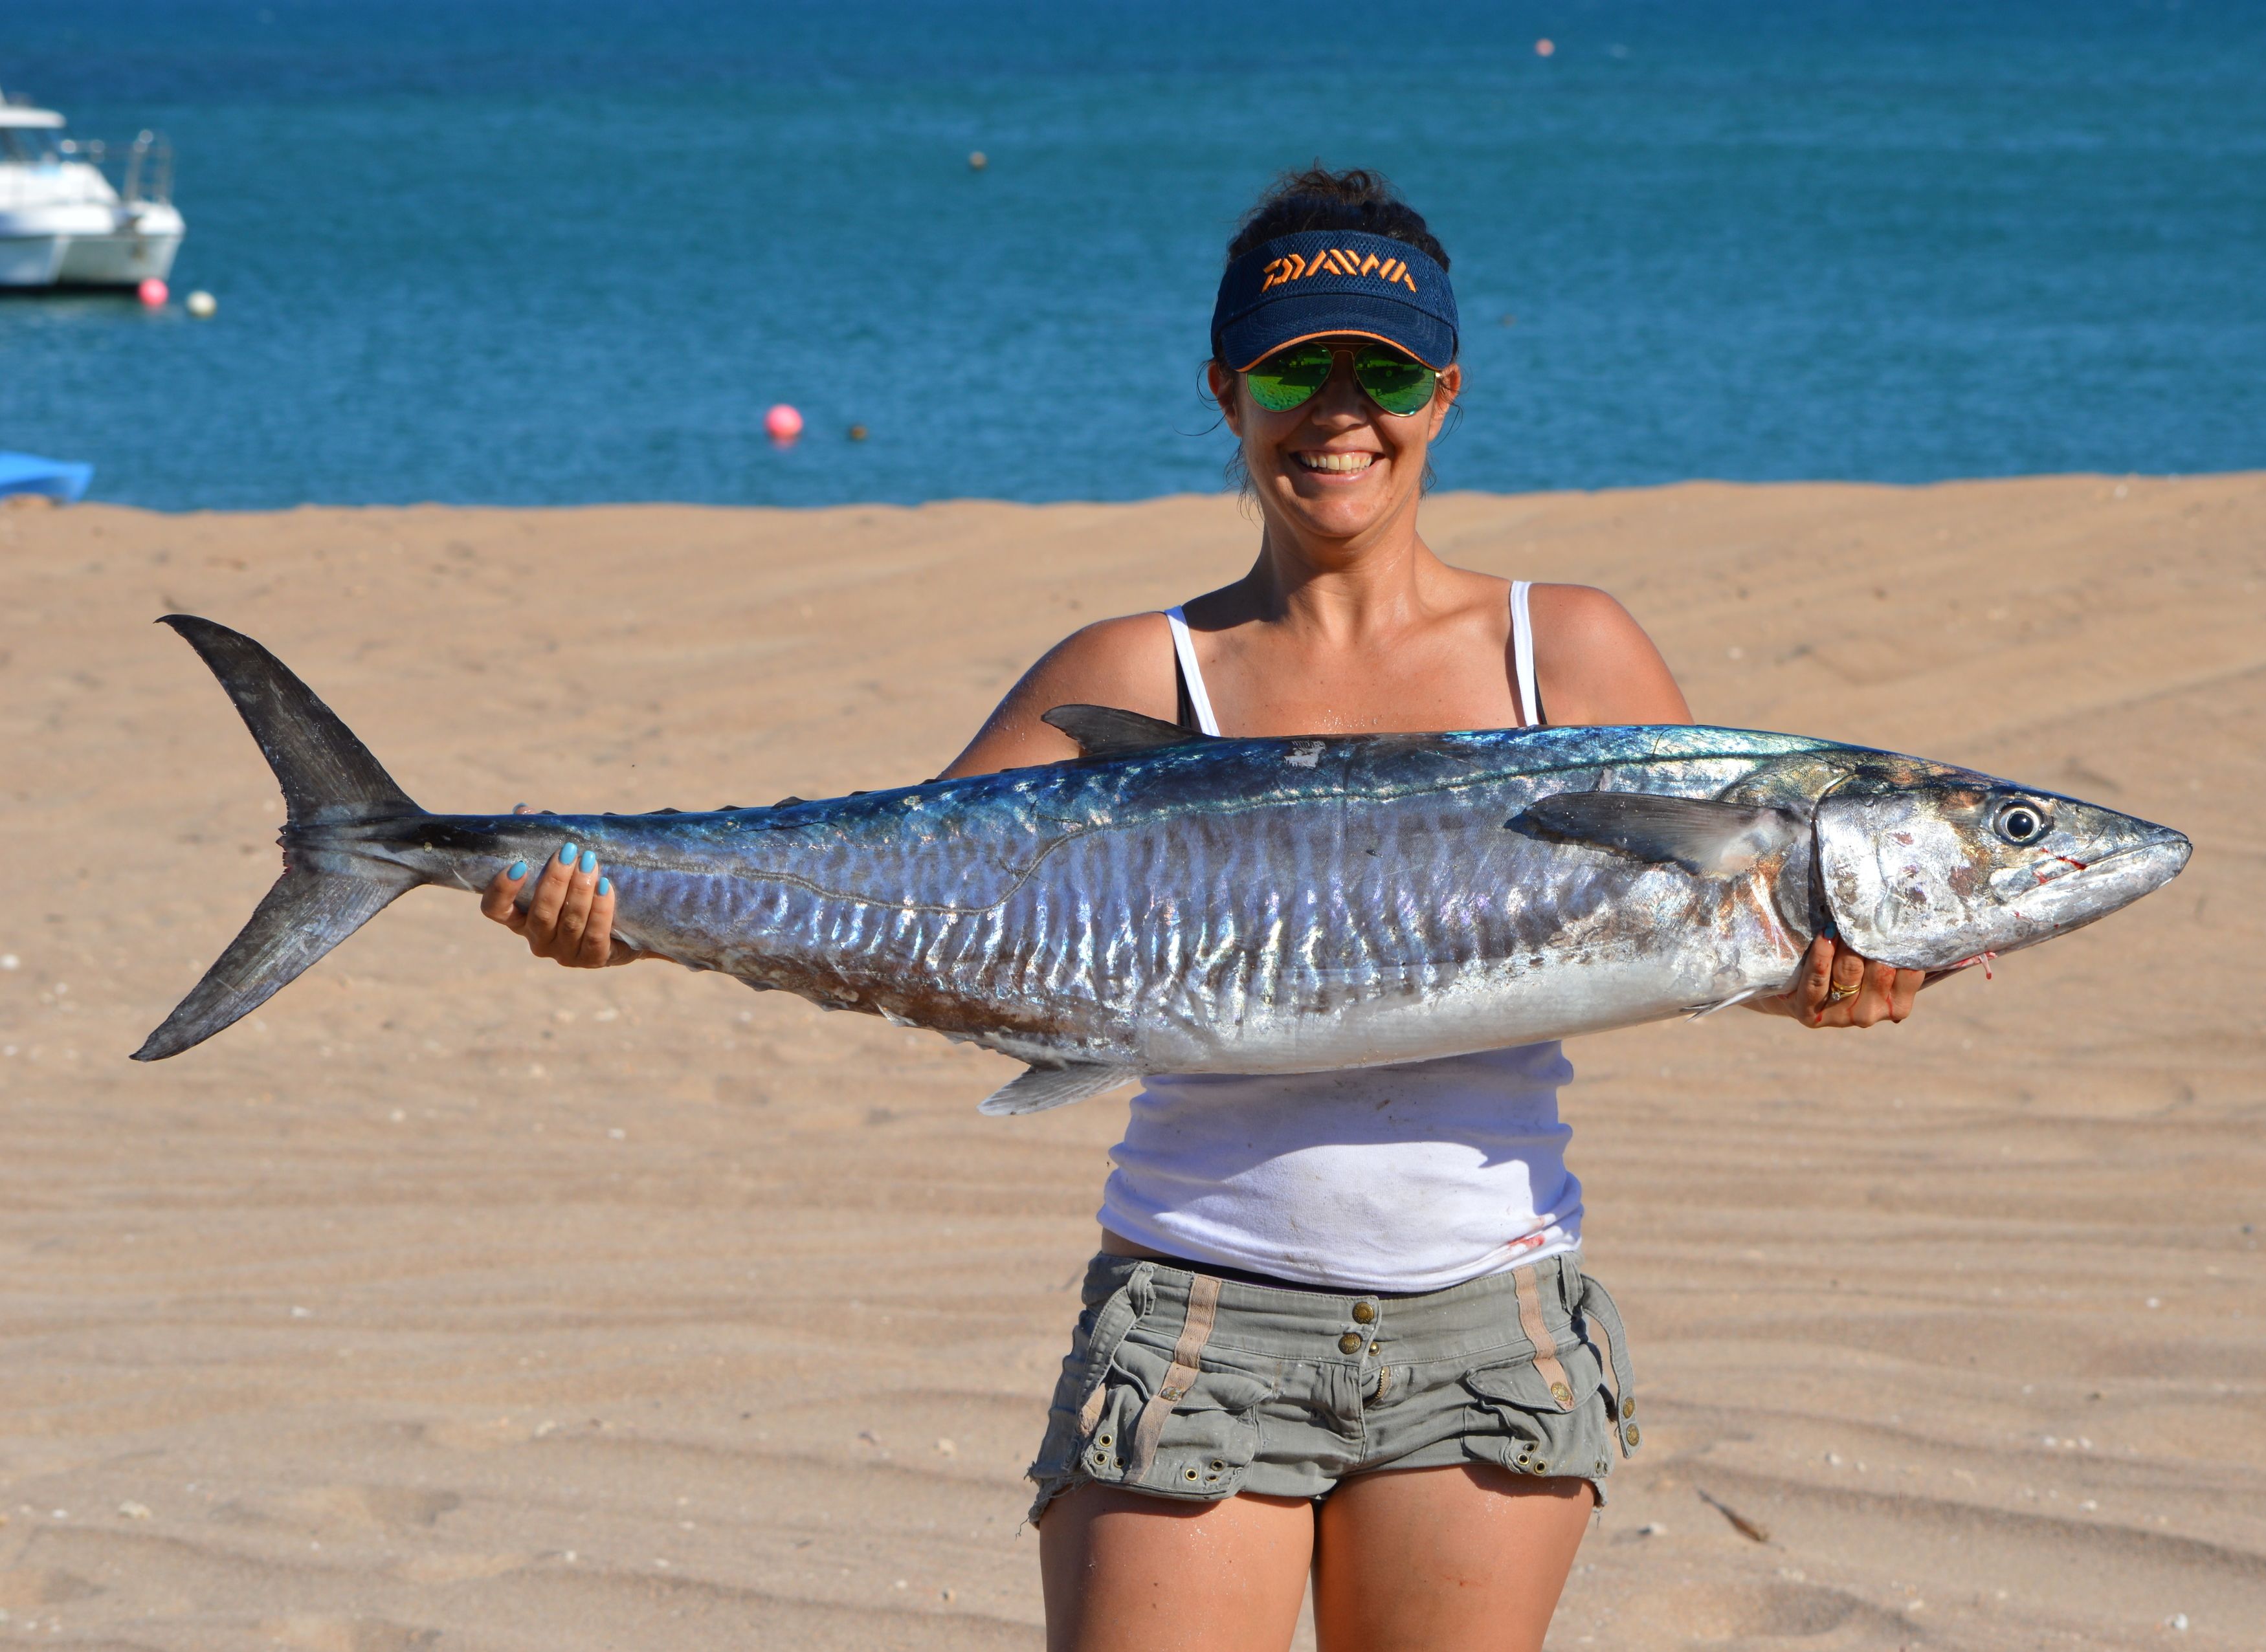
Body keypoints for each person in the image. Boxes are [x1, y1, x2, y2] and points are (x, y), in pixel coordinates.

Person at [480, 166, 1929, 1652]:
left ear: (1446, 392)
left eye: (1387, 373)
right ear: (1227, 388)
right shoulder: (1130, 665)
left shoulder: (1565, 644)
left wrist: (1824, 979)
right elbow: (902, 894)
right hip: (1195, 1317)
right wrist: (625, 911)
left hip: (1488, 1323)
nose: (1341, 412)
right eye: (1297, 371)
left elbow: (1686, 943)